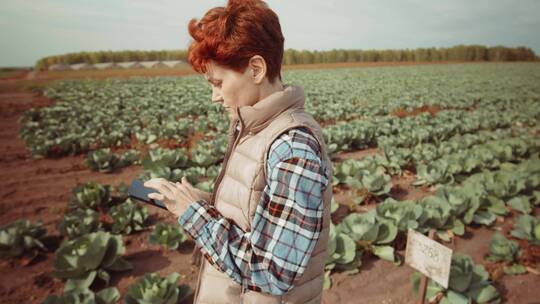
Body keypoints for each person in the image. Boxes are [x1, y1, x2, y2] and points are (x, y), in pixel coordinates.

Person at [144, 0, 333, 303]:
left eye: (218, 83)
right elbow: (253, 213)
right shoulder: (252, 126)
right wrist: (198, 201)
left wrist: (194, 215)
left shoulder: (293, 148)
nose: (214, 97)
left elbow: (272, 271)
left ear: (256, 69)